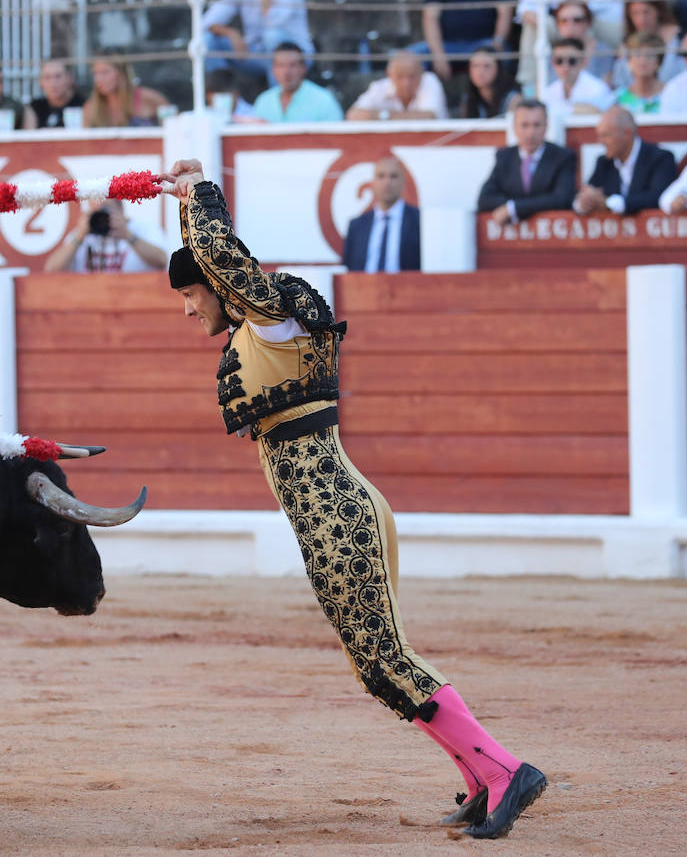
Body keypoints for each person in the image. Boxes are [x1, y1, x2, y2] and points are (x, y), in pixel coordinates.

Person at [160, 156, 546, 841]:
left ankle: (505, 770)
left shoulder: (275, 321)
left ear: (220, 287)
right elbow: (215, 260)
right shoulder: (257, 336)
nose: (190, 309)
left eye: (192, 294)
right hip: (331, 518)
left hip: (339, 515)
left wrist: (200, 194)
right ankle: (481, 779)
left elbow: (224, 260)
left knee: (385, 658)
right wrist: (185, 206)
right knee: (378, 663)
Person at [477, 98, 577, 224]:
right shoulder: (504, 157)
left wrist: (514, 208)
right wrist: (518, 206)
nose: (530, 133)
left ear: (546, 126)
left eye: (536, 125)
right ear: (514, 127)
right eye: (524, 125)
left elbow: (562, 199)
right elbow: (485, 199)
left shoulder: (563, 156)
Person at [574, 106, 677, 215]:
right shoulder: (604, 162)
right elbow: (586, 194)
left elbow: (659, 196)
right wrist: (585, 201)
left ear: (627, 133)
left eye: (606, 135)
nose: (601, 142)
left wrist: (609, 203)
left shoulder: (660, 158)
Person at [44, 199, 168, 273]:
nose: (101, 217)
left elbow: (162, 260)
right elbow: (52, 270)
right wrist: (79, 237)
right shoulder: (82, 235)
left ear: (120, 209)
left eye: (106, 210)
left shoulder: (141, 228)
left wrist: (128, 235)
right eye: (95, 211)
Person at [343, 156, 421, 272]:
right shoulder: (357, 226)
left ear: (404, 183)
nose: (387, 182)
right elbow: (348, 269)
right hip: (364, 288)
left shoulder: (420, 222)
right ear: (372, 183)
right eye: (381, 176)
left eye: (393, 176)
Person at [609, 0, 684, 89]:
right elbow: (620, 82)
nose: (642, 19)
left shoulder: (680, 38)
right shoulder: (626, 44)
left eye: (646, 11)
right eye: (635, 13)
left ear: (658, 10)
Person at [252, 41, 343, 122]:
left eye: (292, 65)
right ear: (273, 69)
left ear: (303, 68)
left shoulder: (324, 100)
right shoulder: (263, 101)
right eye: (281, 65)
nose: (286, 72)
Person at [346, 50, 447, 120]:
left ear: (422, 73)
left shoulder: (430, 81)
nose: (406, 83)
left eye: (412, 76)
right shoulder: (379, 87)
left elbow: (429, 117)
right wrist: (385, 116)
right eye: (400, 76)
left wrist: (382, 116)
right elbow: (353, 115)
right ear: (389, 74)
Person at [81, 55, 169, 128]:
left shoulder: (150, 99)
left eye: (105, 72)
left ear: (121, 74)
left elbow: (172, 129)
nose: (98, 79)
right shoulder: (91, 108)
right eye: (95, 74)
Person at [548, 0, 614, 83]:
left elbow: (606, 88)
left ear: (588, 22)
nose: (570, 26)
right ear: (557, 24)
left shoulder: (604, 52)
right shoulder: (548, 53)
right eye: (564, 21)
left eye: (577, 20)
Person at [542, 37, 614, 116]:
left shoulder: (598, 89)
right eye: (559, 61)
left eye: (572, 61)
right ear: (552, 63)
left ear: (583, 61)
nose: (565, 67)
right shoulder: (548, 92)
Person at [614, 31, 666, 114]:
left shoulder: (670, 93)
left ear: (659, 62)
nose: (642, 61)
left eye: (649, 55)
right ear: (629, 62)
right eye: (637, 55)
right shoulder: (618, 98)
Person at [458, 45, 518, 117]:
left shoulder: (513, 99)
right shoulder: (467, 98)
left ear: (498, 69)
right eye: (475, 66)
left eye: (486, 66)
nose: (480, 72)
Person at [28, 58, 84, 129]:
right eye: (47, 77)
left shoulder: (84, 106)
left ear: (70, 78)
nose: (53, 84)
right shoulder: (35, 108)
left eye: (58, 76)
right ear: (40, 81)